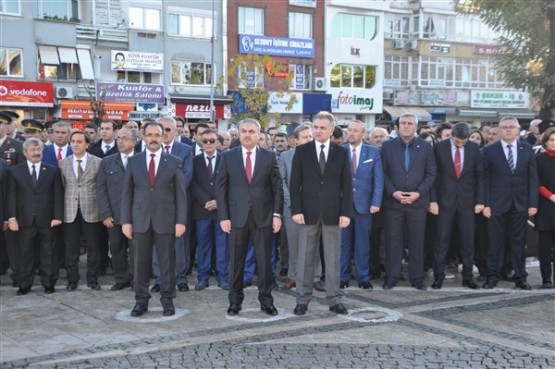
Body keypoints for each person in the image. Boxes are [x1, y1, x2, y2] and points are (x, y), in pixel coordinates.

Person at [215, 118, 283, 316]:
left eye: (251, 131)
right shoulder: (228, 156)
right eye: (244, 131)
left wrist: (277, 215)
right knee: (236, 262)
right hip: (236, 217)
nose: (247, 134)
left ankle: (266, 301)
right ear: (240, 133)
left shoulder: (269, 157)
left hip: (263, 217)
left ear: (258, 134)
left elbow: (277, 189)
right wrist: (223, 216)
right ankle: (235, 301)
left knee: (264, 263)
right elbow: (221, 188)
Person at [121, 122, 187, 317]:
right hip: (139, 220)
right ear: (143, 136)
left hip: (166, 220)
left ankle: (167, 300)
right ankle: (141, 301)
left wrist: (180, 221)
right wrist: (126, 221)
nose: (153, 138)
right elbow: (127, 194)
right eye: (149, 134)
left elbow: (181, 195)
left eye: (157, 134)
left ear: (163, 136)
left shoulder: (173, 161)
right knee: (140, 264)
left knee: (167, 263)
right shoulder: (134, 161)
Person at [290, 111, 353, 315]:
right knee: (305, 257)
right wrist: (296, 210)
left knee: (333, 258)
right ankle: (302, 299)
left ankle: (334, 299)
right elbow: (294, 184)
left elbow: (347, 184)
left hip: (334, 213)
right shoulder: (302, 151)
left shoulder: (341, 153)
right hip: (307, 213)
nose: (317, 131)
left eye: (322, 128)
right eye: (315, 127)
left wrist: (346, 213)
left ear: (331, 130)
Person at [380, 112, 436, 290]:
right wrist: (393, 192)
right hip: (393, 203)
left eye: (410, 123)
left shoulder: (425, 147)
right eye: (403, 123)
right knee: (393, 241)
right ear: (397, 127)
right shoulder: (387, 146)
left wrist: (418, 193)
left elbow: (431, 173)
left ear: (416, 127)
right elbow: (382, 173)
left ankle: (417, 277)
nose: (406, 126)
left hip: (417, 203)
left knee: (417, 242)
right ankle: (392, 276)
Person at [482, 117, 538, 290]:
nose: (507, 130)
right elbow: (484, 180)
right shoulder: (489, 151)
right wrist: (485, 204)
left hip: (520, 204)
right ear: (499, 130)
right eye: (504, 127)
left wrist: (532, 203)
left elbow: (533, 178)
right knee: (495, 243)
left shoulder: (527, 149)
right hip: (496, 204)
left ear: (517, 129)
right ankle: (492, 276)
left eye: (511, 127)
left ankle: (520, 277)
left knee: (519, 243)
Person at [429, 122, 483, 289]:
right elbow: (434, 177)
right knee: (441, 240)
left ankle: (468, 277)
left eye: (463, 141)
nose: (460, 144)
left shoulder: (474, 149)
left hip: (467, 202)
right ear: (451, 135)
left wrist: (480, 201)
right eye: (457, 141)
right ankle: (439, 276)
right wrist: (433, 200)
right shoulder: (439, 148)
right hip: (444, 202)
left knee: (468, 241)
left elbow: (480, 176)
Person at [6, 138, 63, 295]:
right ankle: (24, 284)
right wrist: (12, 218)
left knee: (49, 253)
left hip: (48, 219)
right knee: (25, 253)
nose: (36, 152)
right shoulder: (15, 171)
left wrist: (57, 216)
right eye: (32, 149)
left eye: (38, 149)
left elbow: (58, 194)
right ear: (25, 152)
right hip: (24, 220)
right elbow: (11, 196)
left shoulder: (52, 170)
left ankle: (49, 283)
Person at [278, 124, 324, 291]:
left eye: (311, 137)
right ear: (295, 141)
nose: (309, 140)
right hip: (291, 208)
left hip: (314, 208)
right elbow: (281, 181)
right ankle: (293, 276)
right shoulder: (285, 157)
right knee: (294, 244)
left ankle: (316, 277)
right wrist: (292, 200)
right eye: (305, 137)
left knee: (314, 243)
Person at [150, 116, 193, 293]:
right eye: (163, 130)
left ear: (176, 131)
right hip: (157, 205)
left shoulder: (186, 150)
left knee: (179, 241)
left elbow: (187, 176)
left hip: (178, 203)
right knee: (157, 241)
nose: (166, 133)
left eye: (169, 130)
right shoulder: (150, 150)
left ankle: (180, 277)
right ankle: (160, 277)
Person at [340, 120, 383, 289]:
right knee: (343, 244)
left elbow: (378, 179)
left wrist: (376, 202)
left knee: (363, 245)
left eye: (355, 131)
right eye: (349, 130)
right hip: (343, 206)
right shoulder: (339, 151)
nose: (351, 133)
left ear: (363, 134)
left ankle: (363, 278)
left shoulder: (373, 152)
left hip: (365, 206)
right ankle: (342, 278)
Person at [59, 131, 102, 290]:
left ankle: (92, 279)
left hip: (91, 210)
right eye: (73, 142)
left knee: (93, 247)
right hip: (69, 211)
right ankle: (72, 280)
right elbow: (62, 187)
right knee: (71, 248)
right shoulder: (63, 163)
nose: (75, 144)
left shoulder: (98, 162)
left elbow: (100, 186)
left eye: (79, 141)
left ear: (87, 145)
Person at [96, 128, 138, 291]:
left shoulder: (141, 160)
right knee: (117, 249)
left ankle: (137, 280)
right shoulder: (107, 161)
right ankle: (121, 279)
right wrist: (105, 213)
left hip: (136, 215)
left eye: (125, 138)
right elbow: (101, 189)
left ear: (134, 142)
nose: (120, 141)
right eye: (118, 138)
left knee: (137, 251)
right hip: (114, 215)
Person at [191, 129, 229, 290]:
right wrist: (207, 201)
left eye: (211, 141)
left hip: (221, 211)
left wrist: (218, 202)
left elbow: (230, 183)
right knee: (204, 245)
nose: (208, 144)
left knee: (222, 246)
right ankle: (203, 277)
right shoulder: (195, 160)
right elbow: (192, 183)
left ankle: (223, 277)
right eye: (205, 141)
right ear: (200, 142)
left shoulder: (226, 159)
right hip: (202, 209)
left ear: (218, 142)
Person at [534, 126, 555, 288]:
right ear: (545, 141)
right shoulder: (539, 159)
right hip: (546, 207)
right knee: (545, 247)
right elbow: (537, 183)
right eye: (551, 140)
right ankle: (546, 278)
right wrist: (551, 196)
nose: (554, 143)